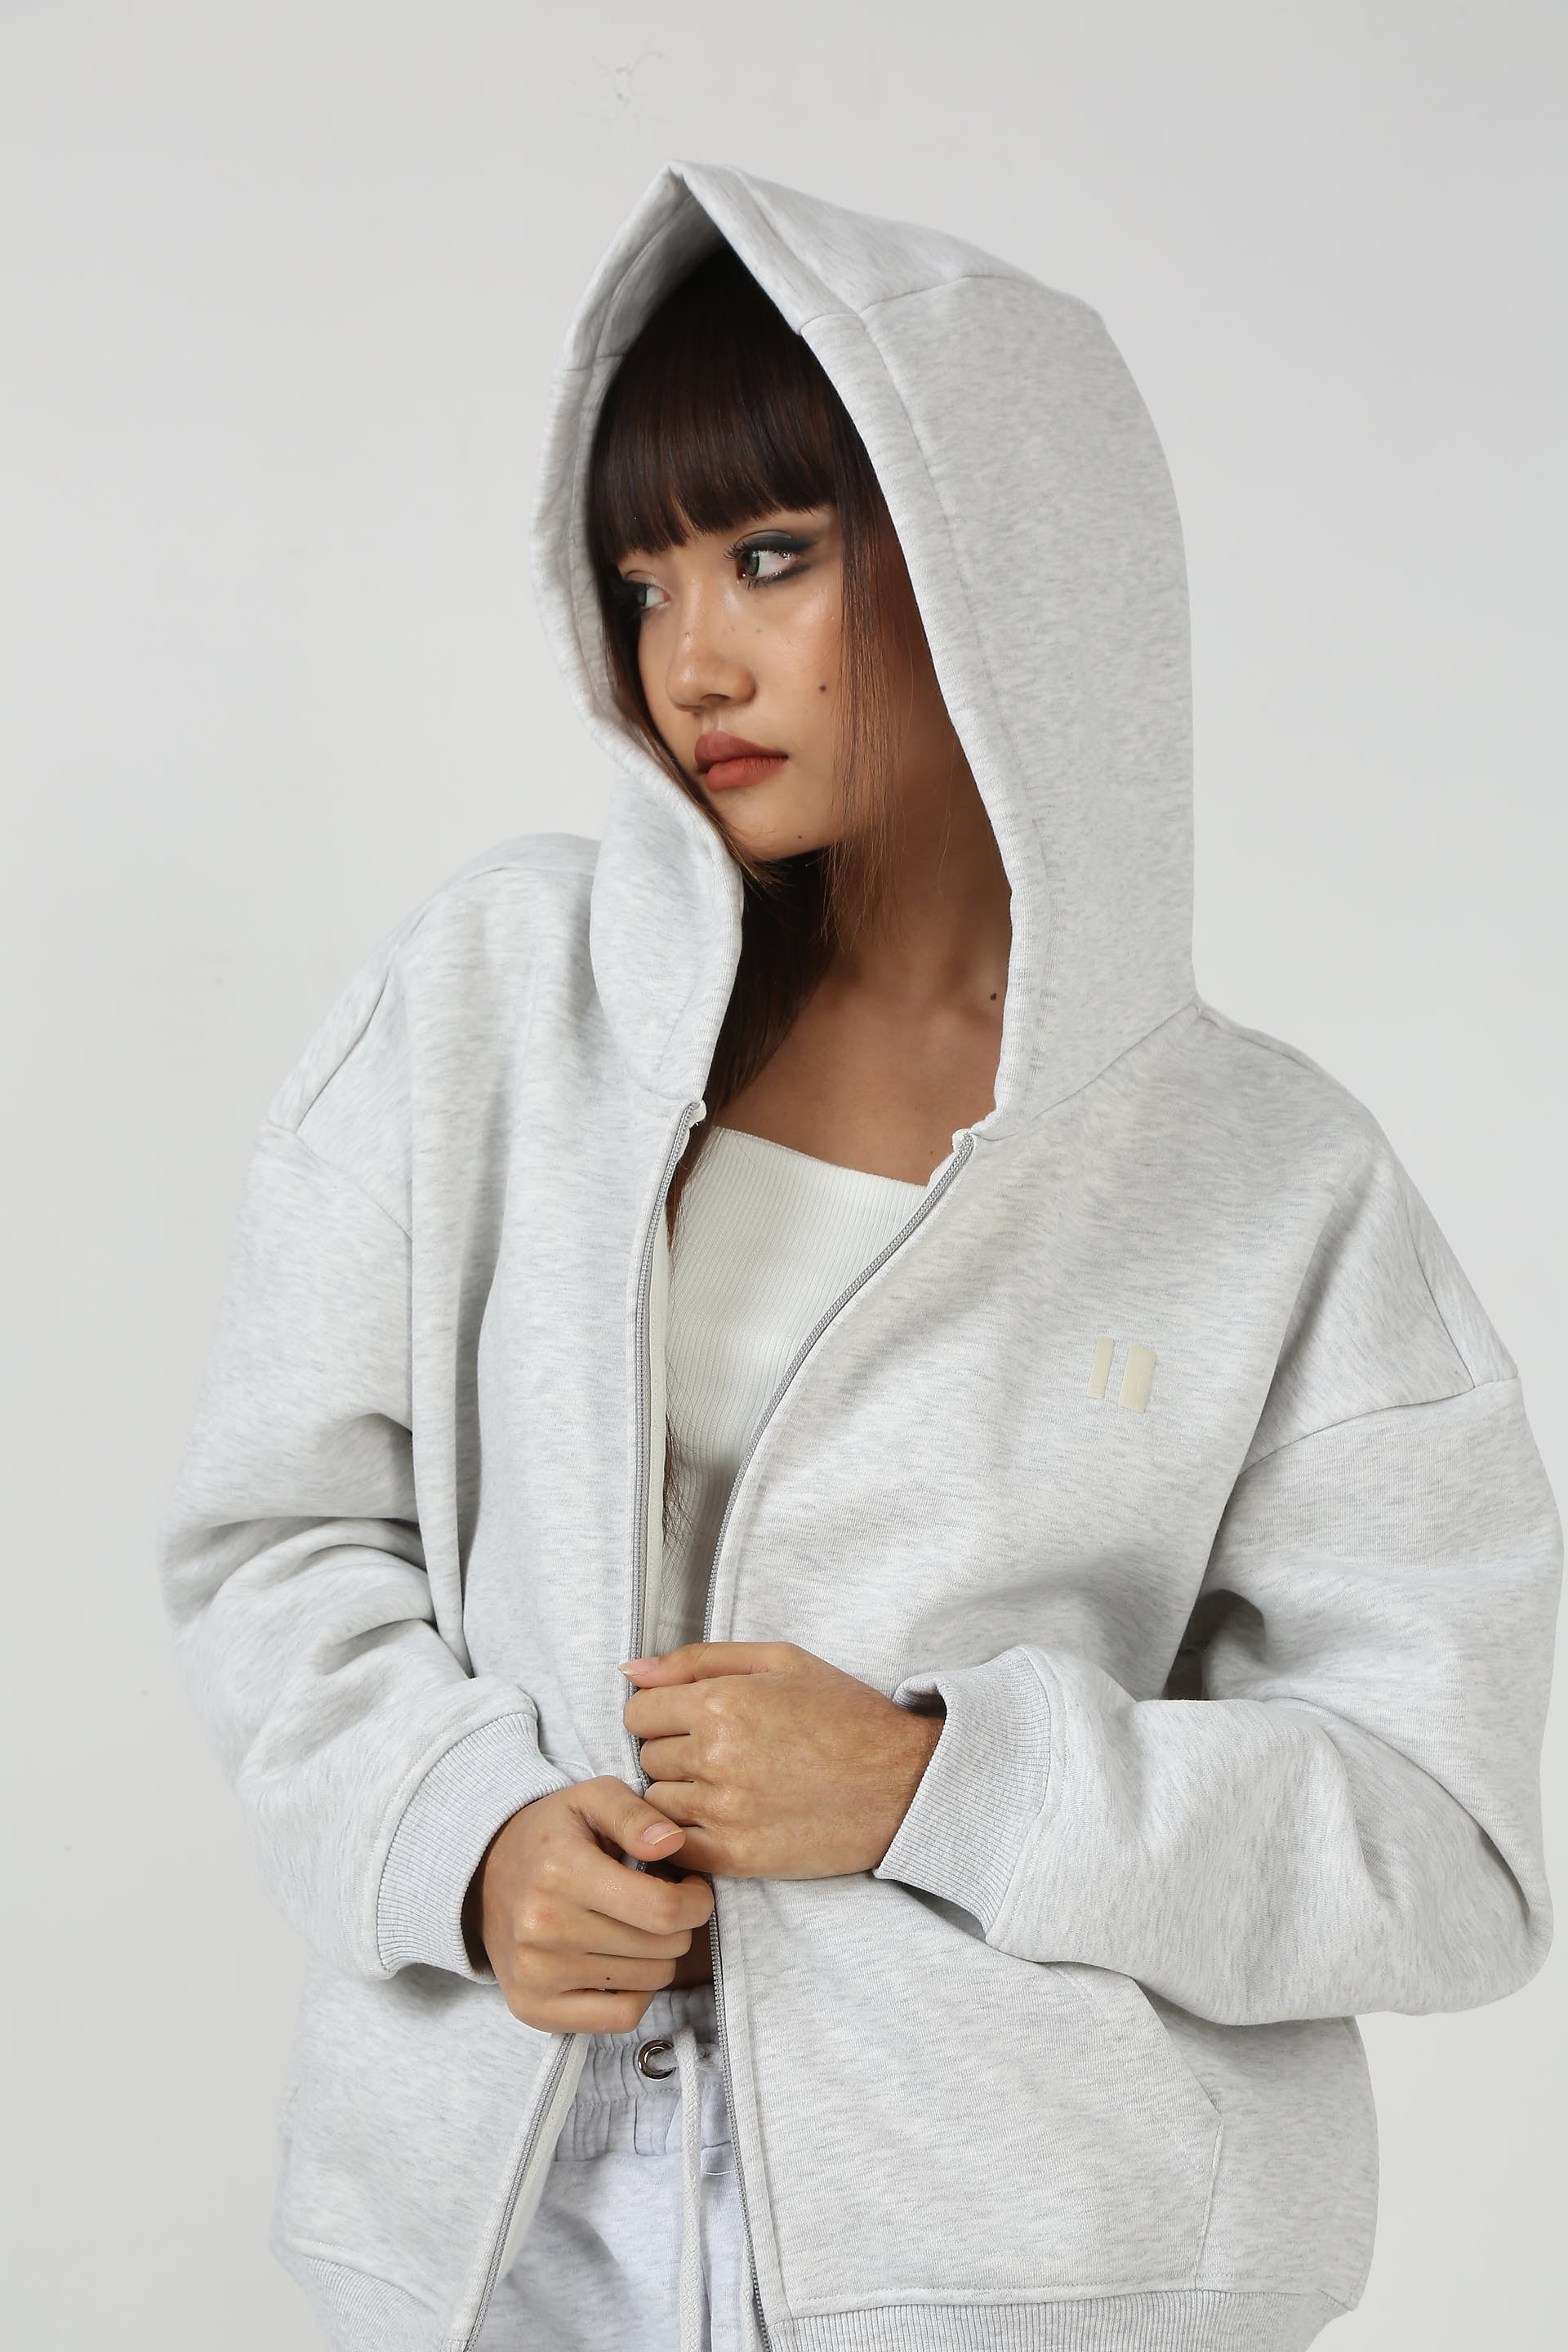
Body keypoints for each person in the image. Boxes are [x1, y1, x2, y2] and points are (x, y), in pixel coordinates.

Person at [156, 163, 1561, 2352]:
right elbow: (282, 1535)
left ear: (1003, 555)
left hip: (1028, 2282)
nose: (690, 662)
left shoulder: (1268, 1181)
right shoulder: (496, 1006)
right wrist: (463, 1836)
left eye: (773, 556)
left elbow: (1440, 1844)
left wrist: (936, 1785)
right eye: (642, 583)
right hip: (508, 2255)